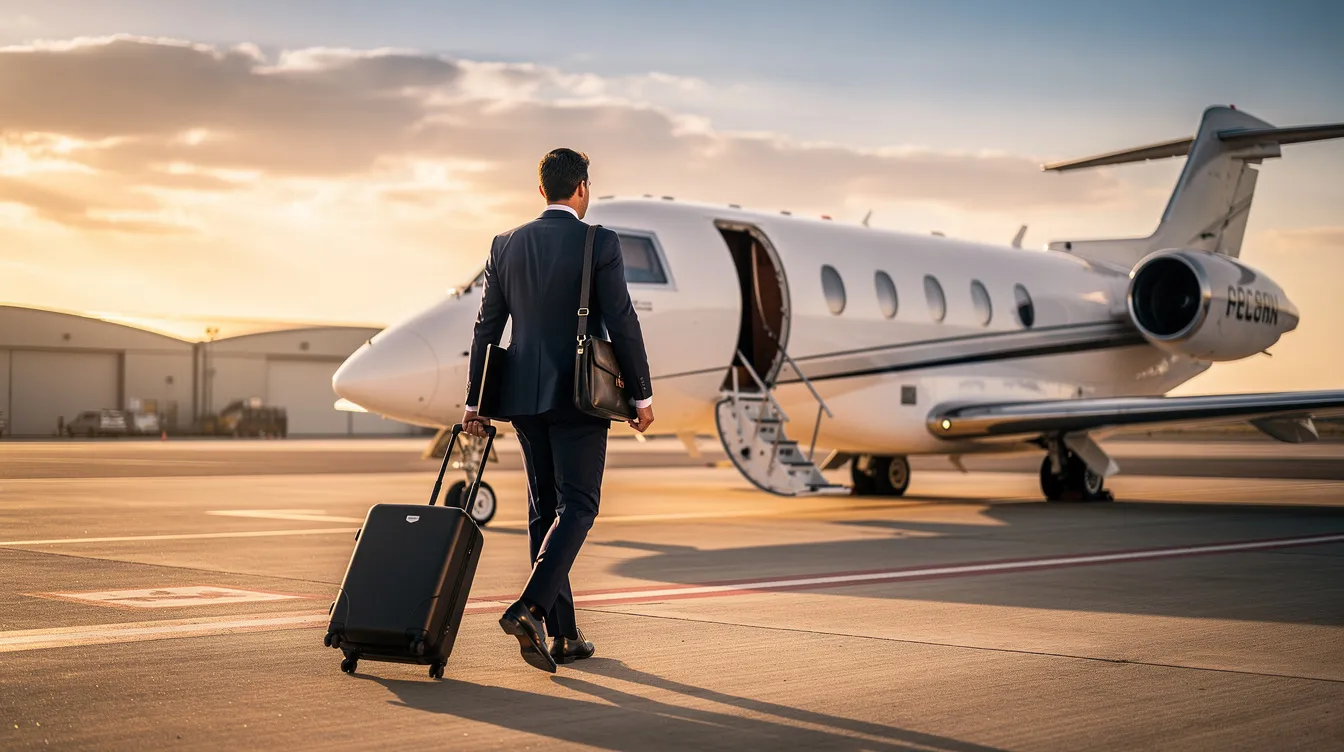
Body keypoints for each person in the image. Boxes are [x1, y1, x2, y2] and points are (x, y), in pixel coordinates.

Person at [461, 148, 655, 673]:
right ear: (583, 190)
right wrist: (642, 395)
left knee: (543, 510)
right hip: (579, 396)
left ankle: (566, 637)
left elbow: (486, 329)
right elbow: (621, 320)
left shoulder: (505, 245)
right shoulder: (599, 242)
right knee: (580, 504)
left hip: (521, 399)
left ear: (541, 191)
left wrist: (474, 402)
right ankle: (530, 608)